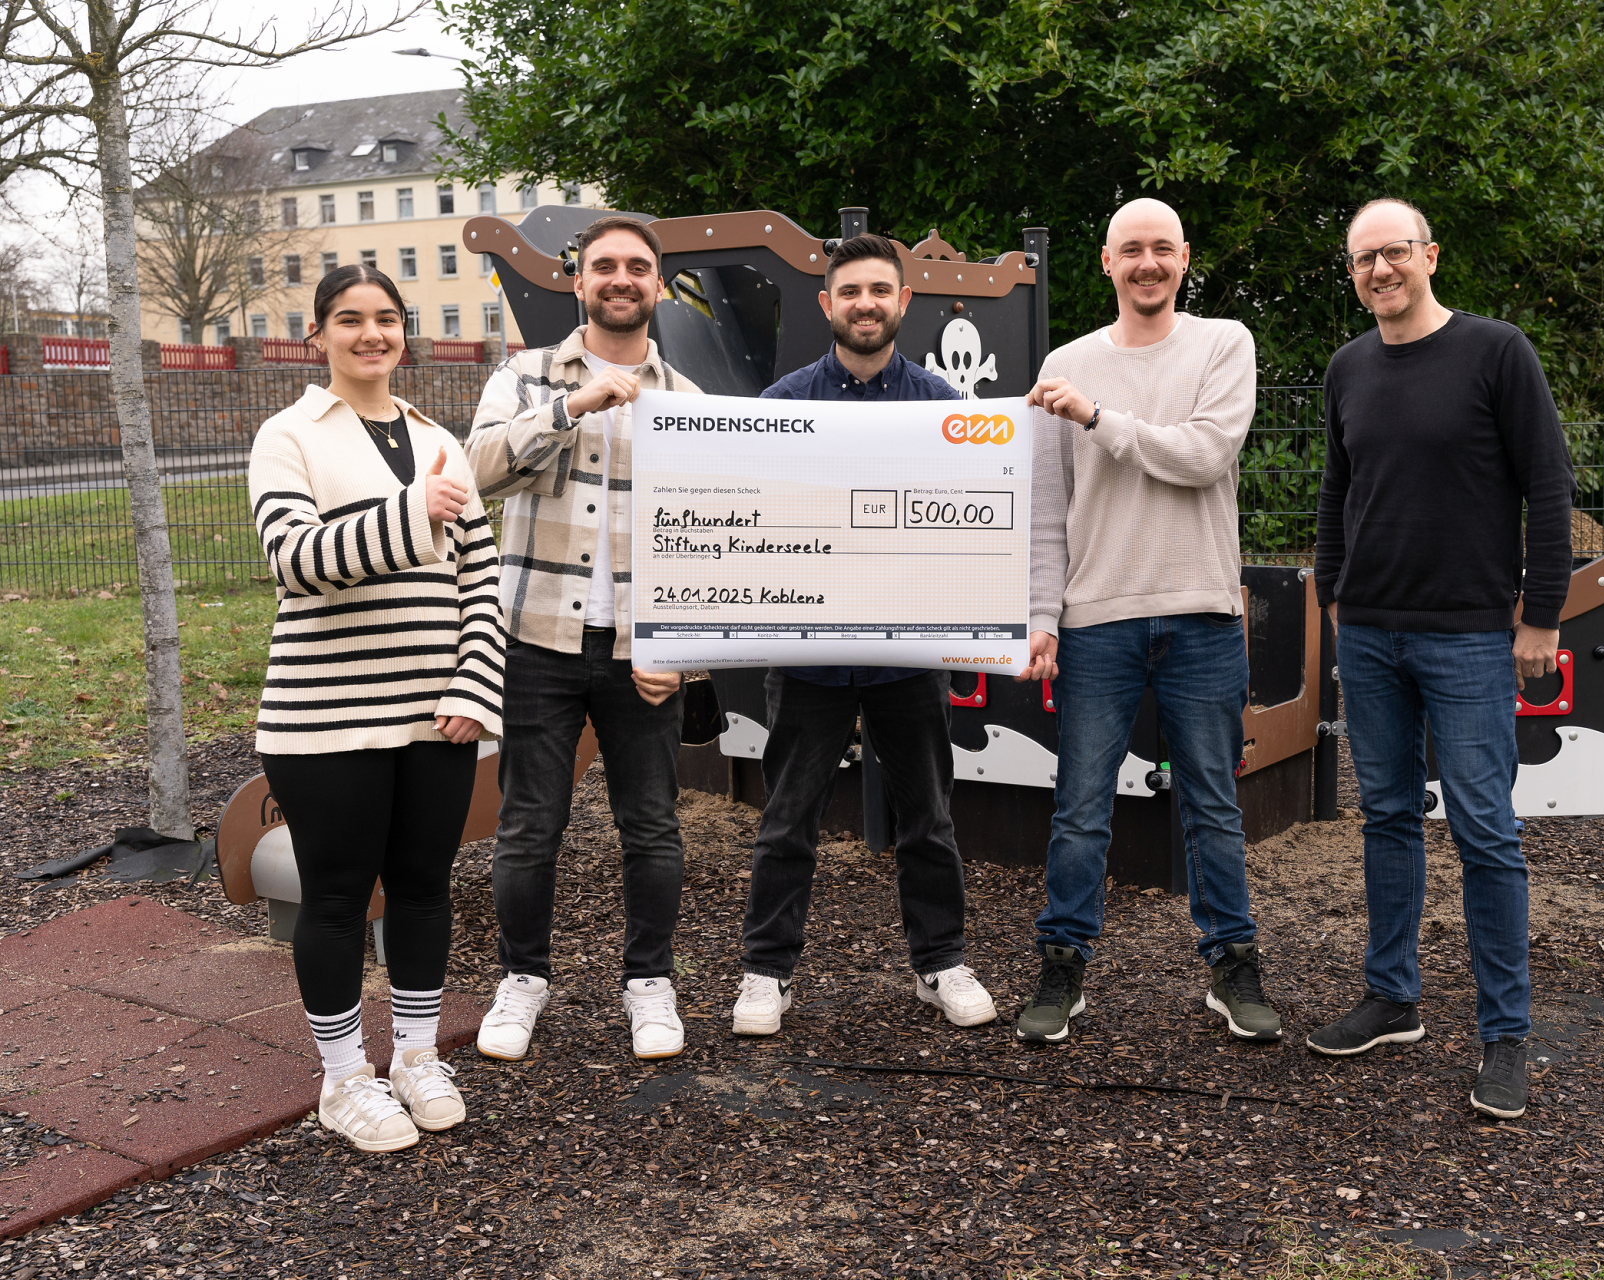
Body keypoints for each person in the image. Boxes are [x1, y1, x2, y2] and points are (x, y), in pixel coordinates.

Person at [1309, 197, 1573, 1120]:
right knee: (1385, 817)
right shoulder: (1348, 368)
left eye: (1392, 253)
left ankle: (1506, 1037)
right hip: (1371, 633)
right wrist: (1330, 598)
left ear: (1430, 254)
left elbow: (1548, 483)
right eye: (1361, 260)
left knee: (1485, 833)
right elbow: (1338, 488)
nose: (1378, 271)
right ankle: (1393, 998)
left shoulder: (1497, 352)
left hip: (1469, 636)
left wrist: (1540, 614)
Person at [1013, 198, 1283, 1045]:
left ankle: (1232, 963)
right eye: (1131, 250)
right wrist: (1041, 616)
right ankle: (1063, 964)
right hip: (1097, 619)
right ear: (1106, 263)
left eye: (1162, 249)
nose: (1148, 264)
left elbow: (1206, 455)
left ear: (1184, 257)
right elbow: (1048, 511)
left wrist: (1098, 416)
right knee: (1080, 805)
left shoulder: (1222, 343)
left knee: (1212, 804)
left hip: (1201, 611)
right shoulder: (1066, 360)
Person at [248, 264, 503, 1152]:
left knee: (428, 889)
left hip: (436, 714)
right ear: (318, 335)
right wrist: (408, 511)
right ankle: (344, 1077)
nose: (370, 335)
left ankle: (418, 1055)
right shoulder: (289, 436)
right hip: (326, 719)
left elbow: (479, 578)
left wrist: (475, 685)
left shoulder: (439, 438)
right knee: (337, 897)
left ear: (405, 334)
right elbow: (293, 557)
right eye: (349, 320)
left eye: (386, 320)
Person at [728, 233, 998, 1037]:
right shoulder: (779, 409)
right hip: (808, 660)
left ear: (903, 301)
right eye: (851, 292)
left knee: (930, 820)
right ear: (827, 305)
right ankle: (766, 972)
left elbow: (980, 524)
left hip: (905, 660)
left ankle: (941, 961)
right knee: (786, 821)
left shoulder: (948, 411)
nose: (866, 304)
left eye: (881, 290)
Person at [465, 215, 702, 1063]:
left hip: (645, 650)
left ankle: (650, 985)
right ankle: (522, 981)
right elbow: (477, 471)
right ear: (578, 281)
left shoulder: (688, 404)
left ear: (659, 286)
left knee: (653, 825)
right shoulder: (526, 376)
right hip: (535, 636)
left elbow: (714, 544)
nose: (621, 279)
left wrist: (684, 651)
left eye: (639, 267)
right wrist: (572, 406)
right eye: (605, 266)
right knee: (531, 822)